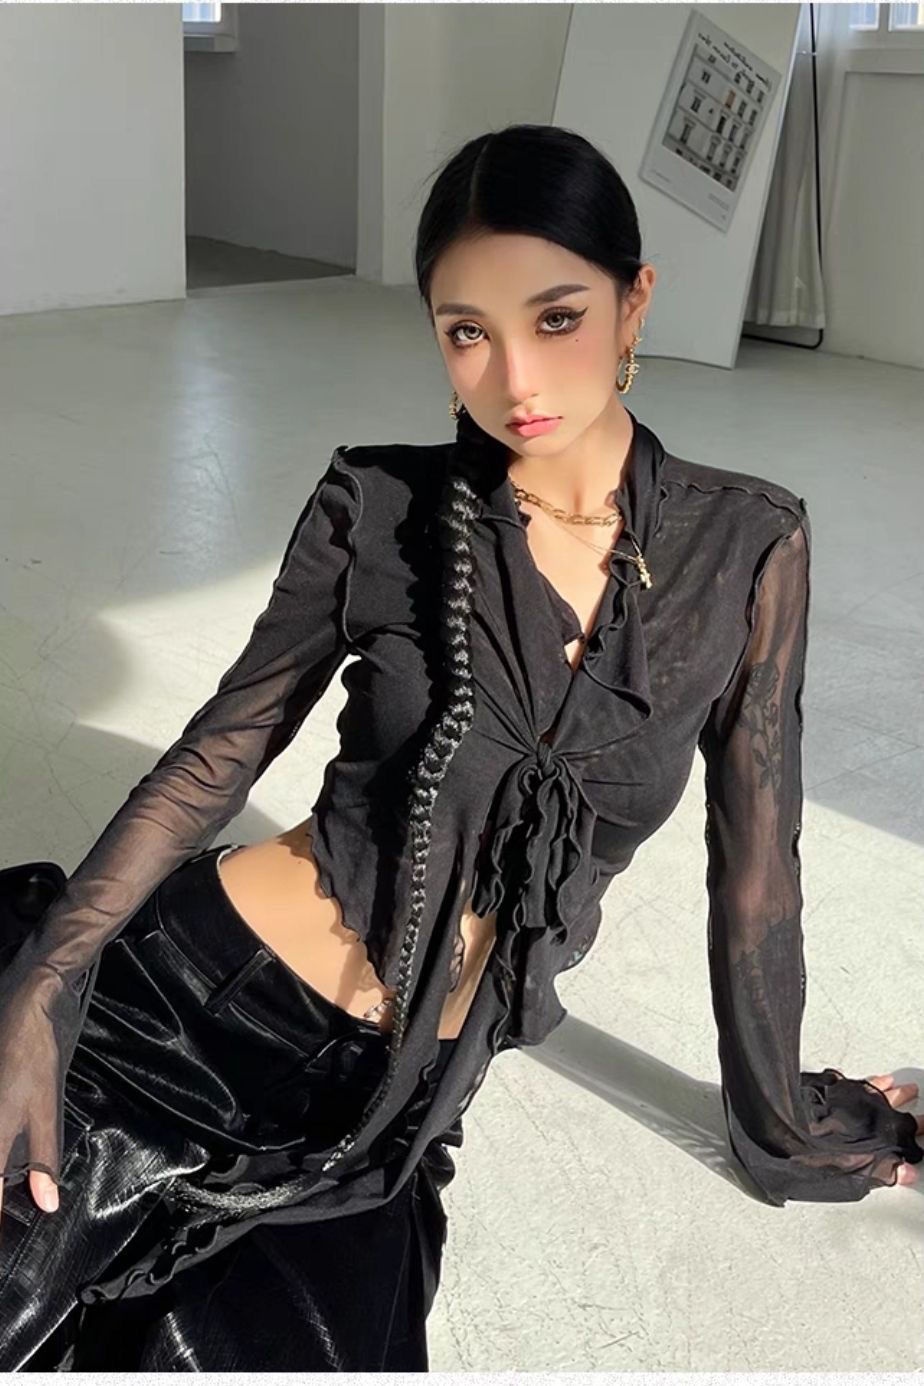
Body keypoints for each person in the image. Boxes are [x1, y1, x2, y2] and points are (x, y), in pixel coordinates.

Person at [1, 122, 921, 1370]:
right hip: (187, 1009)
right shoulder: (378, 505)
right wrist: (46, 982)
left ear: (635, 302)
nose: (513, 377)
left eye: (557, 317)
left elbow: (759, 874)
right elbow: (218, 756)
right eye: (466, 331)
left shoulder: (747, 547)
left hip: (387, 1114)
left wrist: (788, 1130)